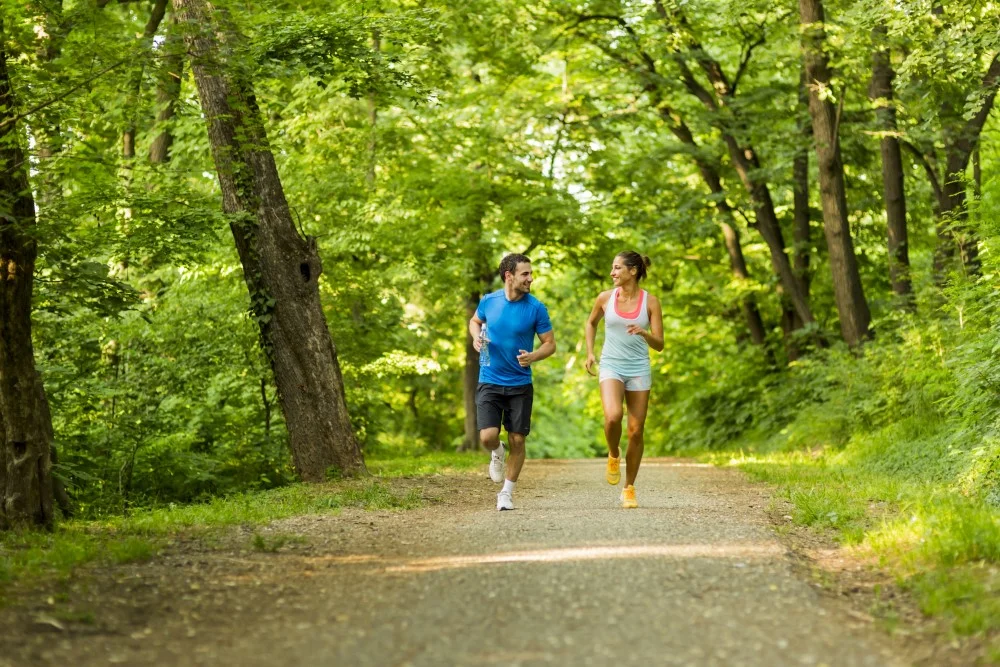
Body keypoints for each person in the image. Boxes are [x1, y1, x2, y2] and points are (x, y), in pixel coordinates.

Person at [469, 253, 556, 511]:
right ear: (509, 276)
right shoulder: (489, 301)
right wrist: (476, 337)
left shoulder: (536, 308)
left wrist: (533, 356)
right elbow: (475, 321)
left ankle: (506, 493)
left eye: (530, 273)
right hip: (490, 379)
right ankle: (497, 450)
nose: (531, 278)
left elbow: (550, 344)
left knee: (518, 439)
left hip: (520, 383)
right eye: (525, 274)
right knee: (487, 437)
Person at [584, 251, 663, 508]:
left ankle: (629, 488)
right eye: (612, 268)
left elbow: (660, 344)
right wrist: (589, 352)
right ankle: (613, 453)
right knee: (613, 416)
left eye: (617, 268)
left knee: (636, 431)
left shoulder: (651, 302)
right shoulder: (605, 298)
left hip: (639, 367)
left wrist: (645, 333)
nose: (612, 273)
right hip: (611, 365)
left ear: (633, 271)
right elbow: (591, 323)